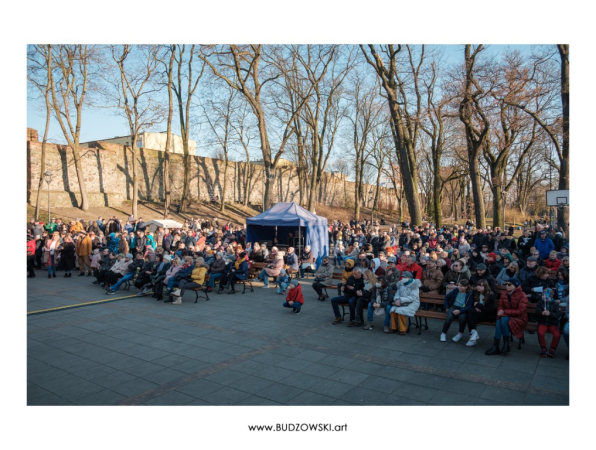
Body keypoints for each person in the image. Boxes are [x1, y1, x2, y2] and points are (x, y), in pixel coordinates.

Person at [485, 278, 529, 355]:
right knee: (500, 320)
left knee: (503, 319)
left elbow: (520, 311)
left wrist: (504, 312)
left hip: (519, 317)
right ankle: (499, 345)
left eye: (509, 284)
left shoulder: (522, 295)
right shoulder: (504, 293)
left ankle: (502, 345)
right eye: (506, 284)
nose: (507, 286)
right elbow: (501, 306)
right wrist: (500, 312)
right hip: (506, 315)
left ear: (515, 285)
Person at [461, 279, 497, 346]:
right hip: (477, 313)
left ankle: (473, 336)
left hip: (488, 315)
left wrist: (478, 305)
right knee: (470, 312)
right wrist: (475, 308)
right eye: (478, 285)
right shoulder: (475, 293)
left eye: (481, 286)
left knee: (470, 316)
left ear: (485, 287)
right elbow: (471, 304)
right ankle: (473, 335)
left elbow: (490, 310)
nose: (478, 287)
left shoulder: (490, 295)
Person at [535, 288, 561, 357]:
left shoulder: (555, 304)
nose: (544, 297)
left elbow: (557, 315)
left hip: (553, 323)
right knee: (541, 333)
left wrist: (550, 314)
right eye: (543, 295)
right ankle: (543, 348)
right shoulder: (540, 303)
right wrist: (541, 313)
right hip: (543, 322)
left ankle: (553, 348)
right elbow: (536, 312)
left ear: (551, 296)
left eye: (546, 295)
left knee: (556, 335)